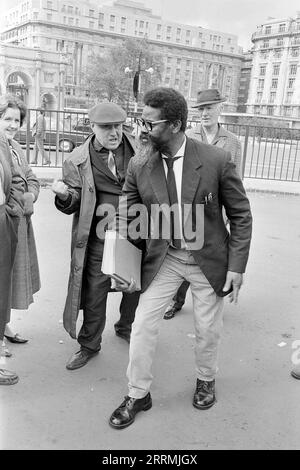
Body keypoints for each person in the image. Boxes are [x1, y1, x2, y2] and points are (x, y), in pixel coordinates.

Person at [109, 87, 252, 429]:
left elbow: (241, 214)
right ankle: (138, 393)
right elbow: (126, 211)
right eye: (140, 121)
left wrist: (236, 267)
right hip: (166, 258)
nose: (142, 129)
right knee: (142, 324)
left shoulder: (215, 160)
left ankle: (206, 378)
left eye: (149, 123)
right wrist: (119, 262)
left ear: (174, 125)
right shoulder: (140, 162)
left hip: (208, 261)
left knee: (207, 329)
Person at [52, 102, 140, 371]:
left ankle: (127, 326)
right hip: (98, 238)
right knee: (94, 292)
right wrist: (65, 196)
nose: (114, 132)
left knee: (135, 285)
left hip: (136, 233)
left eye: (118, 126)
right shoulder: (76, 159)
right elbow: (75, 199)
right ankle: (89, 344)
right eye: (106, 127)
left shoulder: (141, 149)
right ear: (92, 127)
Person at [164, 88, 243, 320]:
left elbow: (236, 180)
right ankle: (176, 300)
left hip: (216, 209)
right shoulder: (187, 136)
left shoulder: (232, 142)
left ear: (220, 109)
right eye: (201, 109)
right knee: (182, 252)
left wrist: (228, 213)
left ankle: (211, 297)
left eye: (209, 108)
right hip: (188, 207)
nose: (205, 113)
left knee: (212, 253)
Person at [0, 94, 40, 349]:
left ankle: (4, 326)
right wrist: (16, 204)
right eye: (7, 119)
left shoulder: (15, 147)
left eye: (17, 120)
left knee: (10, 278)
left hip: (19, 221)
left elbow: (30, 176)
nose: (13, 124)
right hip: (6, 220)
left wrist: (30, 195)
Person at [0, 130, 24, 384]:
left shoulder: (1, 141)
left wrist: (11, 209)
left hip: (1, 219)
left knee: (0, 291)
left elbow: (17, 178)